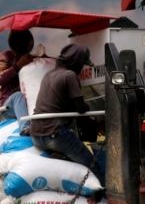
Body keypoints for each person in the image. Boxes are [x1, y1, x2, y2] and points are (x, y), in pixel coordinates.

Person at [29, 44, 100, 176]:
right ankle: (102, 196)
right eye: (82, 64)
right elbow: (80, 108)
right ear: (76, 62)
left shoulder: (49, 75)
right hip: (55, 134)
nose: (81, 67)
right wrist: (93, 120)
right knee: (92, 166)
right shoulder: (70, 75)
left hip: (36, 134)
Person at [0, 30, 34, 130]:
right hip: (8, 103)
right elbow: (0, 79)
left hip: (26, 103)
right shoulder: (5, 56)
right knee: (18, 96)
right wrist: (18, 66)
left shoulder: (29, 58)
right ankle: (25, 128)